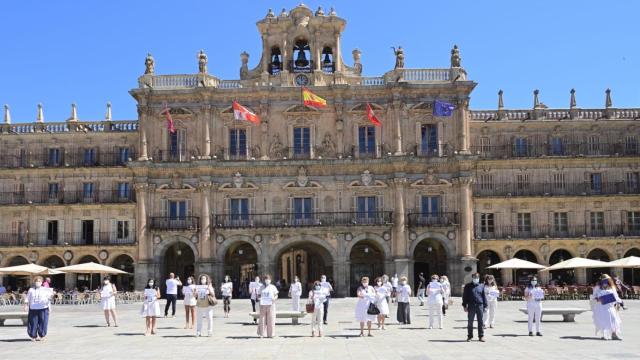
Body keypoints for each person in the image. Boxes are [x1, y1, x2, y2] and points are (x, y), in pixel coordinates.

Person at [592, 274, 623, 340]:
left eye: (607, 279)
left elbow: (616, 296)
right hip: (601, 306)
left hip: (610, 306)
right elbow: (593, 297)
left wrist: (620, 302)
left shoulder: (612, 287)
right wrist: (598, 299)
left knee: (613, 319)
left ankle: (614, 335)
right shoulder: (597, 287)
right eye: (603, 280)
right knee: (603, 320)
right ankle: (604, 335)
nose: (605, 281)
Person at [25, 276, 53, 341]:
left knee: (43, 322)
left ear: (42, 282)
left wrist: (52, 296)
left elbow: (49, 298)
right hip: (33, 308)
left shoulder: (45, 289)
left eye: (39, 281)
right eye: (37, 281)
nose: (38, 282)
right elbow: (27, 298)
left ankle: (42, 335)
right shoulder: (31, 290)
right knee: (33, 322)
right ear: (34, 282)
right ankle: (33, 336)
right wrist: (26, 305)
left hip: (43, 307)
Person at [462, 272, 488, 342]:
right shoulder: (467, 286)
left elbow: (484, 296)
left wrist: (485, 305)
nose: (476, 279)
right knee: (470, 322)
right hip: (471, 305)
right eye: (474, 277)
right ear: (472, 278)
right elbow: (465, 296)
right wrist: (464, 305)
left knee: (480, 321)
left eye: (477, 277)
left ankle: (481, 336)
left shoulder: (481, 286)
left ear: (479, 278)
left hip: (480, 305)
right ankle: (470, 336)